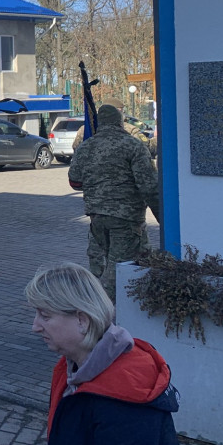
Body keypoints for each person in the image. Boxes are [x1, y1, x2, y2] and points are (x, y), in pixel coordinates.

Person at [26, 262, 192, 445]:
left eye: (45, 316)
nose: (35, 326)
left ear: (82, 320)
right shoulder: (71, 369)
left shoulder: (125, 398)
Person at [68, 103, 160, 301]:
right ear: (120, 122)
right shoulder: (132, 145)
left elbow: (74, 181)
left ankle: (113, 308)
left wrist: (96, 185)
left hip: (96, 219)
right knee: (118, 271)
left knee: (103, 266)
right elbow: (149, 186)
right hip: (125, 220)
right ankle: (99, 316)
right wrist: (163, 218)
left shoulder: (86, 146)